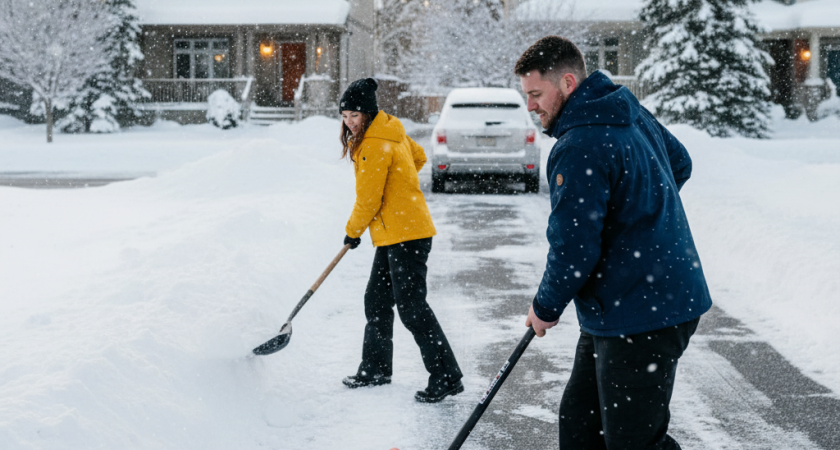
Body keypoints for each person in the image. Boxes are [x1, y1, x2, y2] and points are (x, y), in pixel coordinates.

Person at [516, 37, 713, 449]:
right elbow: (678, 162)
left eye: (536, 94)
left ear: (567, 83)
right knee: (581, 426)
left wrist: (545, 307)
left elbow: (574, 249)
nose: (530, 106)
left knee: (632, 441)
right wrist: (633, 222)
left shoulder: (579, 145)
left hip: (645, 313)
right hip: (626, 307)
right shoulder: (622, 108)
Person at [338, 78, 463, 403]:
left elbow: (368, 200)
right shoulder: (390, 130)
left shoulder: (374, 145)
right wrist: (400, 188)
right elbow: (417, 157)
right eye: (345, 115)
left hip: (405, 234)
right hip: (401, 231)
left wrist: (353, 232)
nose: (349, 122)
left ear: (368, 113)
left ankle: (446, 375)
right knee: (377, 300)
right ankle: (376, 368)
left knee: (411, 306)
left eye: (355, 115)